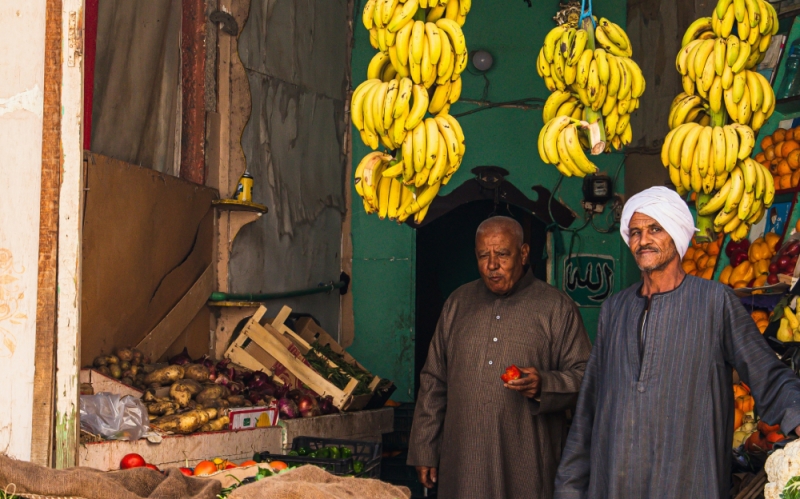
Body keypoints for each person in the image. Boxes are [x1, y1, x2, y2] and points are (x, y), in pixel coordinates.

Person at [554, 186, 800, 499]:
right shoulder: (615, 308)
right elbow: (589, 403)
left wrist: (796, 414)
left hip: (687, 479)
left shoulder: (714, 301)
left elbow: (766, 371)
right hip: (615, 479)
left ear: (676, 233)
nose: (643, 240)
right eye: (635, 232)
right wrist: (570, 487)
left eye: (655, 229)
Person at [408, 216, 592, 499]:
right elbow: (434, 379)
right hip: (463, 462)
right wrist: (425, 448)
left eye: (502, 254)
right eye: (484, 255)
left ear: (523, 253)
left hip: (526, 461)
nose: (492, 265)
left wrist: (544, 384)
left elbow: (586, 377)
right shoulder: (458, 303)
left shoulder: (556, 307)